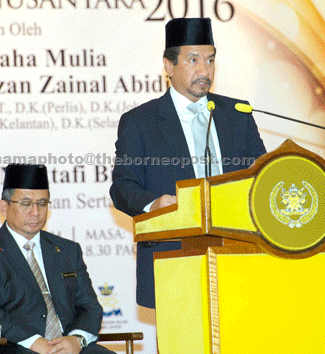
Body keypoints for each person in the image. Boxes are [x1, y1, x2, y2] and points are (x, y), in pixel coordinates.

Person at [110, 17, 266, 309]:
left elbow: (261, 175)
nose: (204, 70)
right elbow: (122, 187)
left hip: (240, 257)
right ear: (169, 66)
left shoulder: (237, 113)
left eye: (210, 60)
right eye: (193, 60)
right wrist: (153, 204)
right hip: (174, 257)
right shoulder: (140, 122)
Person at [0, 164, 113, 354]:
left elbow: (89, 306)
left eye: (42, 204)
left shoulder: (67, 250)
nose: (35, 212)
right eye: (25, 204)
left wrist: (77, 339)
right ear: (4, 207)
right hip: (14, 346)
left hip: (68, 346)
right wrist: (33, 341)